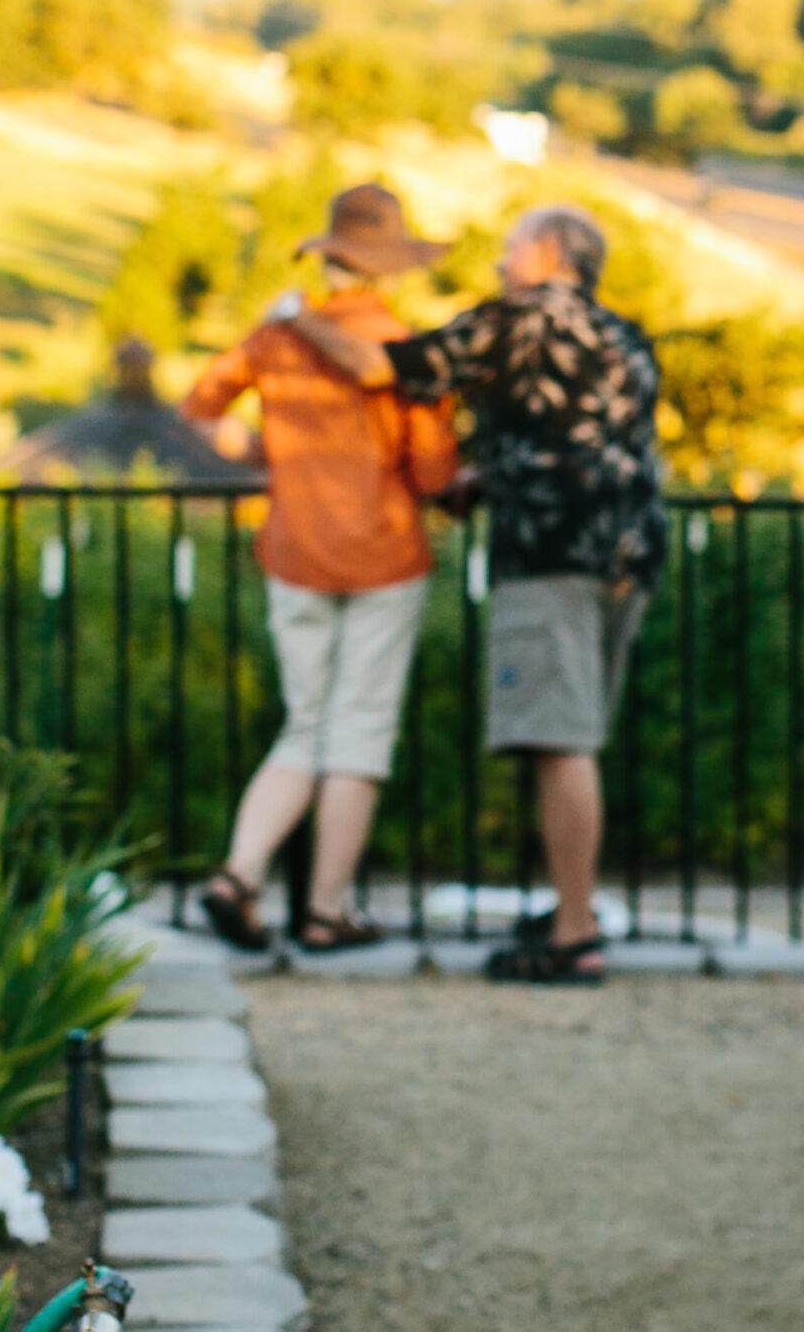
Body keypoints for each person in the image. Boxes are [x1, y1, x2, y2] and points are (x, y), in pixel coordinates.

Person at [281, 203, 667, 984]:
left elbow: (378, 363)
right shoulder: (626, 336)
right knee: (578, 734)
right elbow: (585, 442)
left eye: (510, 245)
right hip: (631, 554)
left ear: (551, 254)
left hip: (550, 552)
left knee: (562, 742)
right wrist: (490, 476)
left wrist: (296, 319)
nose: (498, 261)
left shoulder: (518, 319)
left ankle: (572, 931)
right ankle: (570, 907)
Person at [187, 183, 459, 953]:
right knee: (359, 731)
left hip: (295, 551)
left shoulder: (275, 338)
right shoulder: (401, 346)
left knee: (305, 724)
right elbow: (436, 474)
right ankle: (326, 911)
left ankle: (238, 876)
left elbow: (201, 407)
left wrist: (267, 458)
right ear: (386, 265)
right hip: (384, 555)